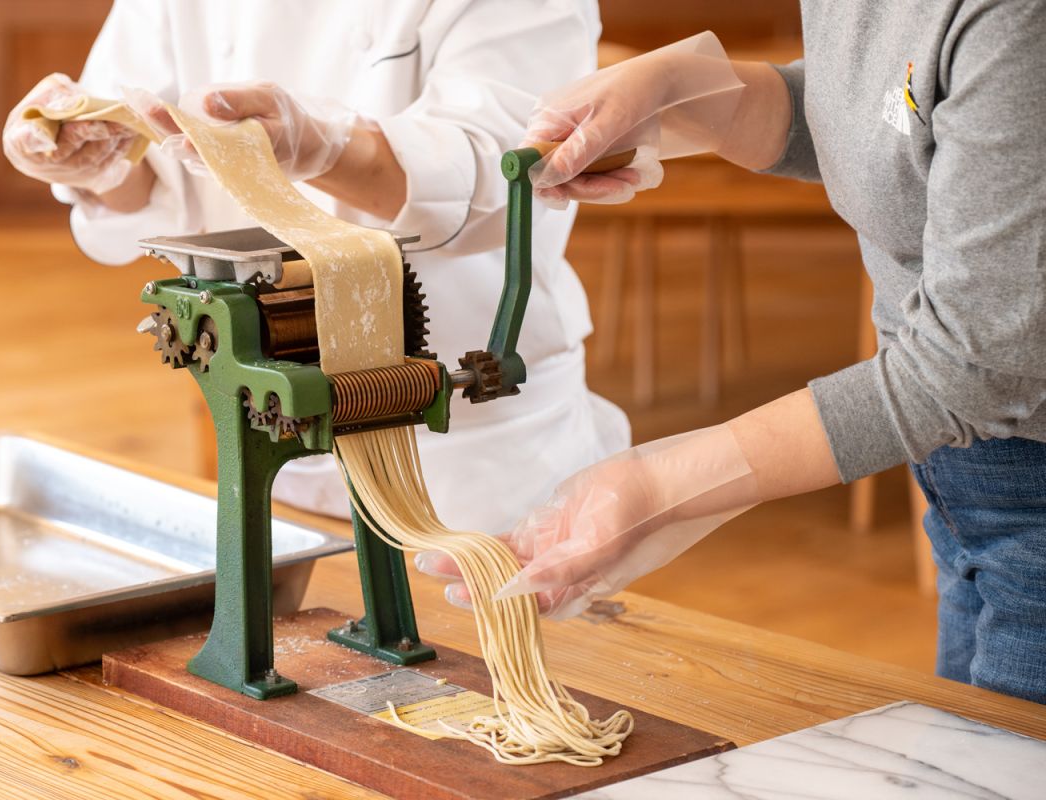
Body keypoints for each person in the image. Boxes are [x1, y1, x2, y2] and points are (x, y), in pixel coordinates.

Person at [418, 6, 1046, 705]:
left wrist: (665, 487)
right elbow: (901, 109)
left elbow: (976, 368)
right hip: (963, 482)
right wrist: (692, 93)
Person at [2, 0, 630, 534]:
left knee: (485, 651)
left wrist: (325, 147)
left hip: (468, 441)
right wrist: (99, 165)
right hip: (271, 417)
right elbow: (146, 167)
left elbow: (510, 178)